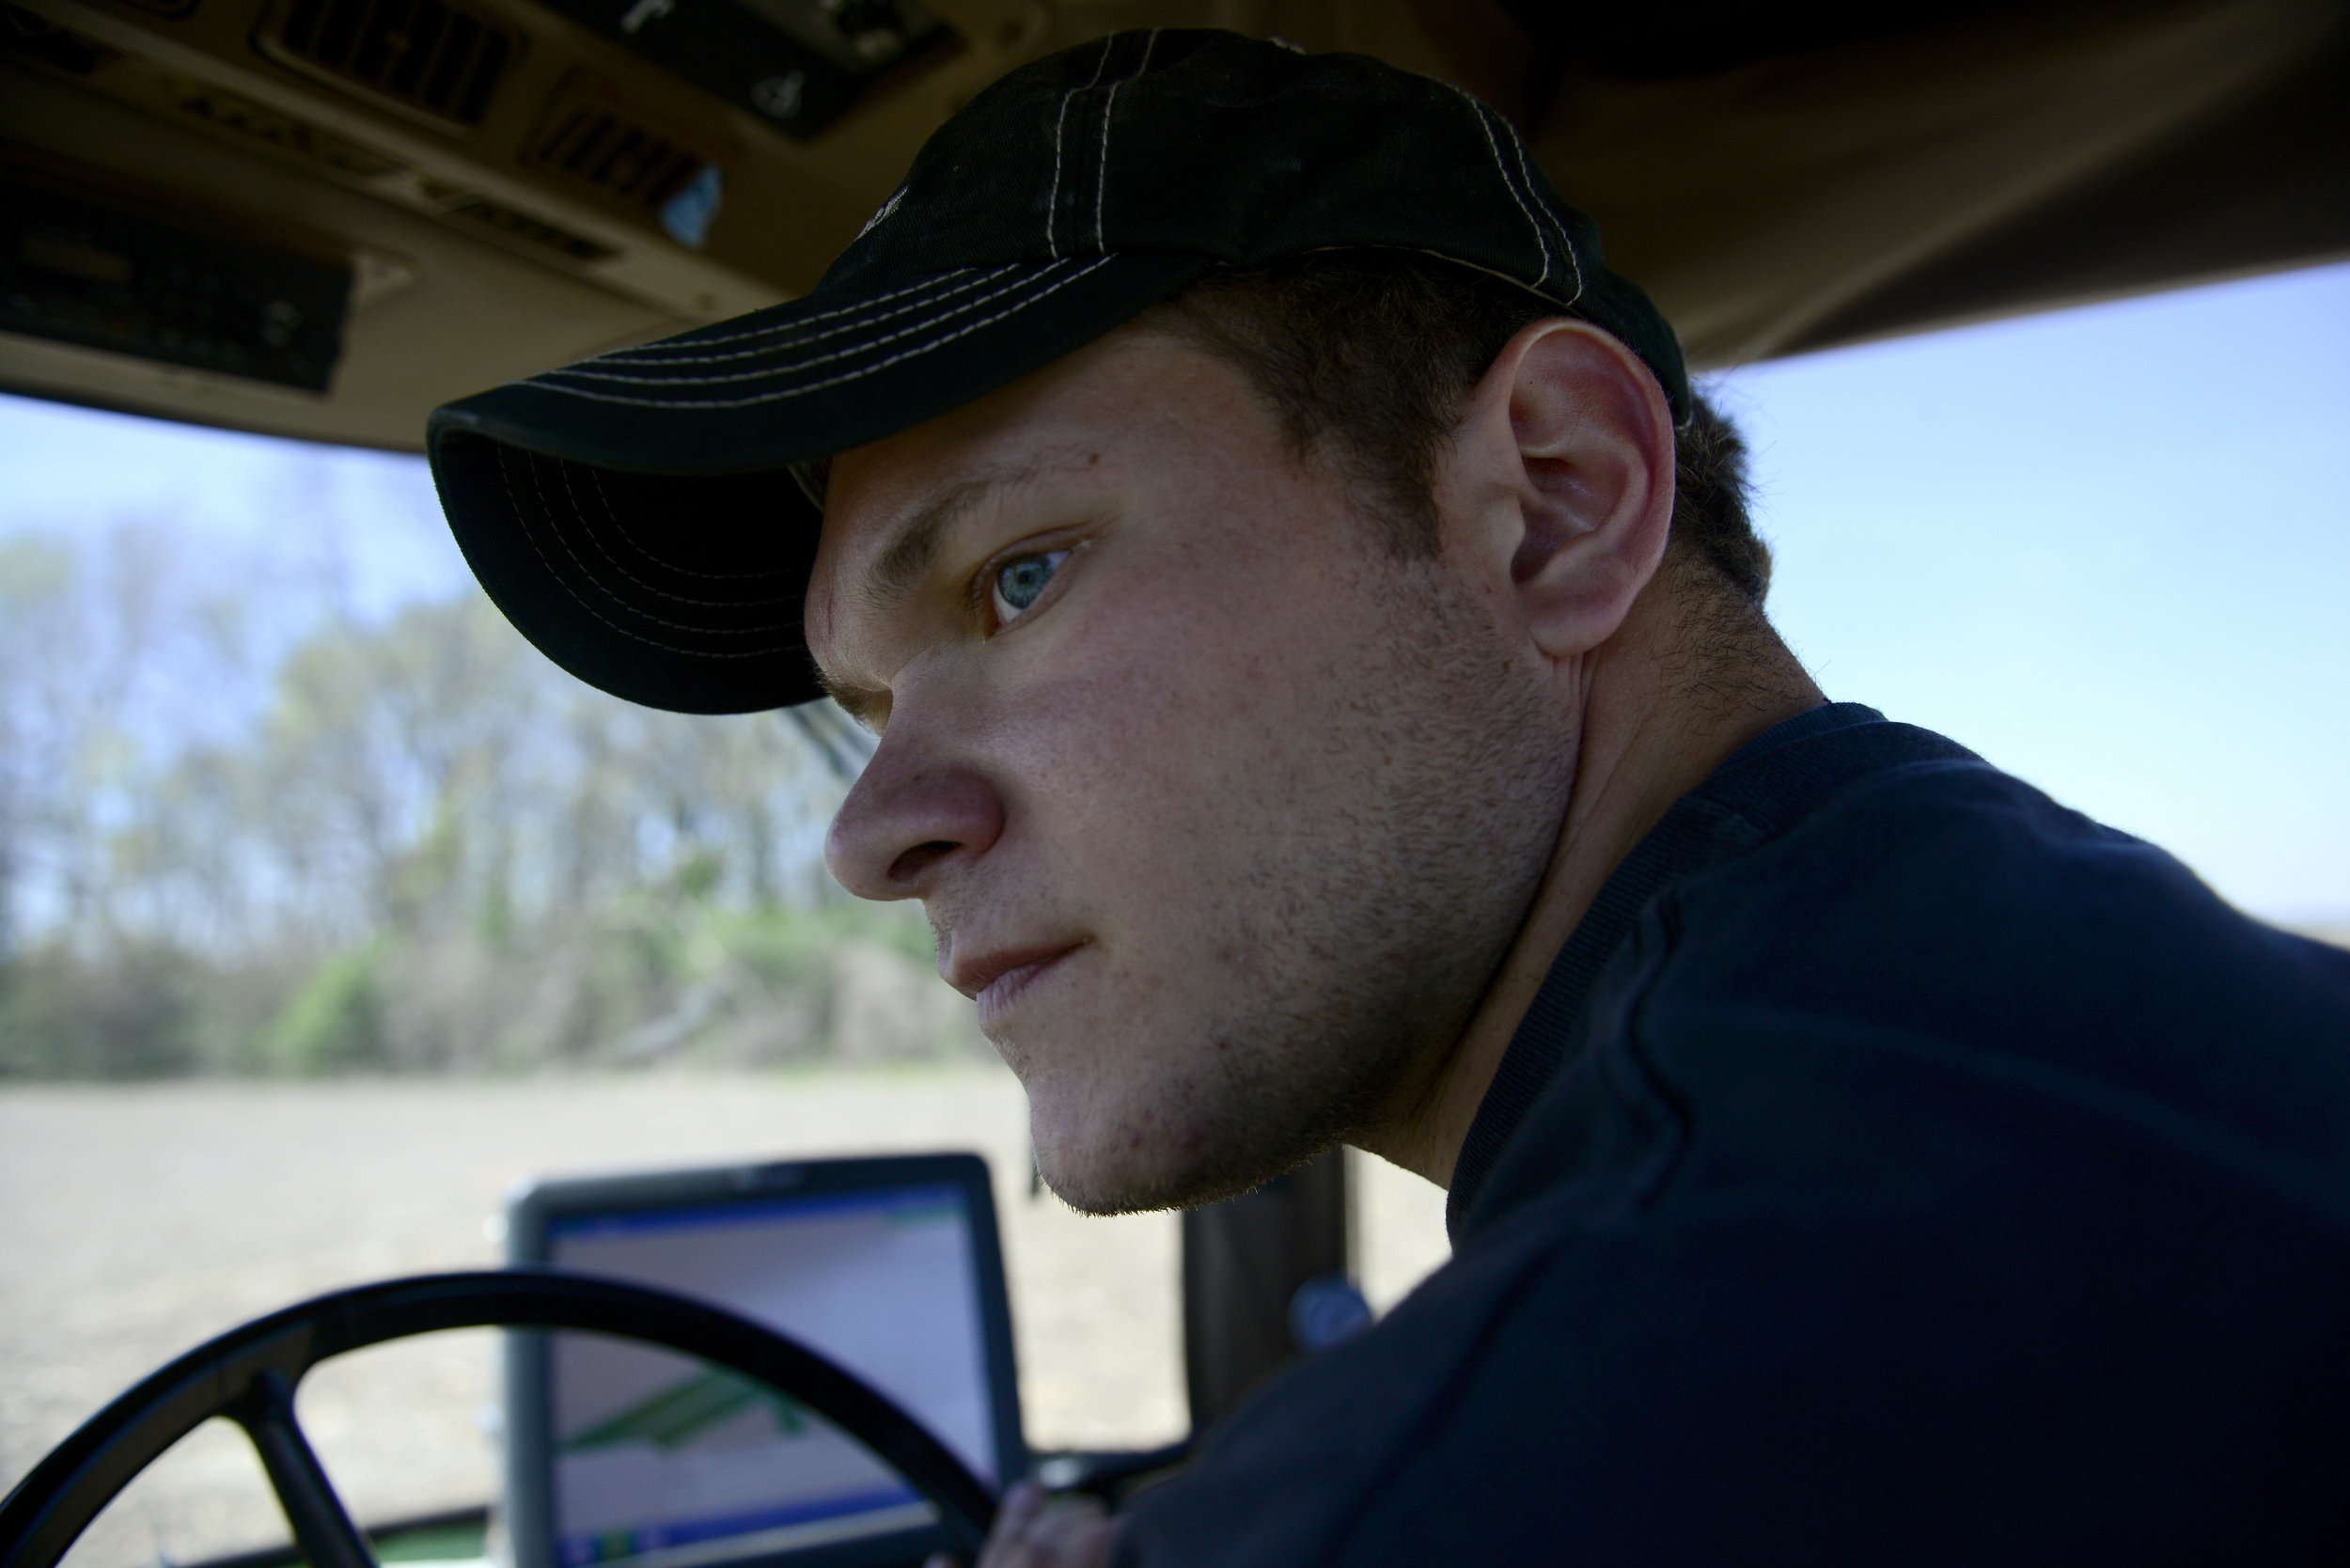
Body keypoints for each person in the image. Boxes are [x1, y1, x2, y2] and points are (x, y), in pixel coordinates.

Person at [429, 28, 2350, 1566]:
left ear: (1554, 502)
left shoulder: (1584, 1403)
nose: (869, 836)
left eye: (1018, 575)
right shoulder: (1997, 999)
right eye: (859, 704)